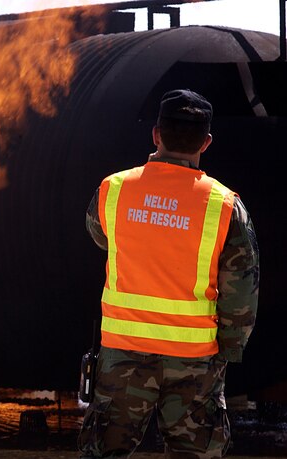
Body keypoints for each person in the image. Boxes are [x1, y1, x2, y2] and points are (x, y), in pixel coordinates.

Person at [78, 89, 259, 458]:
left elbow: (101, 237)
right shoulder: (224, 206)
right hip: (194, 362)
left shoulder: (112, 190)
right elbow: (242, 290)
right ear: (206, 142)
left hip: (123, 356)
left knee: (103, 453)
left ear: (156, 134)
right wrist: (228, 349)